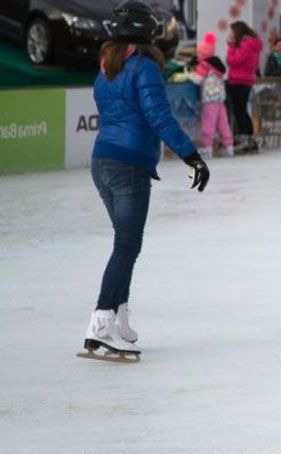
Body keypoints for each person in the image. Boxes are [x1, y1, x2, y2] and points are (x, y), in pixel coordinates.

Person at [84, 0, 209, 357]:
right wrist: (192, 156)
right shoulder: (144, 67)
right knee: (126, 245)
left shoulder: (107, 67)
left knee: (127, 243)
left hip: (103, 161)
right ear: (146, 32)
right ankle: (101, 323)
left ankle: (119, 315)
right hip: (129, 165)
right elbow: (159, 117)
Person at [190, 31, 234, 158]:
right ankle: (229, 147)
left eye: (199, 53)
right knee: (223, 123)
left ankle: (208, 148)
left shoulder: (204, 65)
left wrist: (190, 76)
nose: (197, 55)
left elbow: (198, 79)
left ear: (203, 53)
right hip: (220, 99)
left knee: (208, 123)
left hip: (209, 99)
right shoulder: (217, 65)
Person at [226, 21, 262, 154]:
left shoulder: (245, 45)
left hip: (240, 80)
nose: (230, 35)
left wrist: (230, 46)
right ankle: (245, 137)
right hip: (241, 80)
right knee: (240, 110)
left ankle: (246, 137)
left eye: (232, 32)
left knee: (240, 111)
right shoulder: (249, 44)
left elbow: (234, 61)